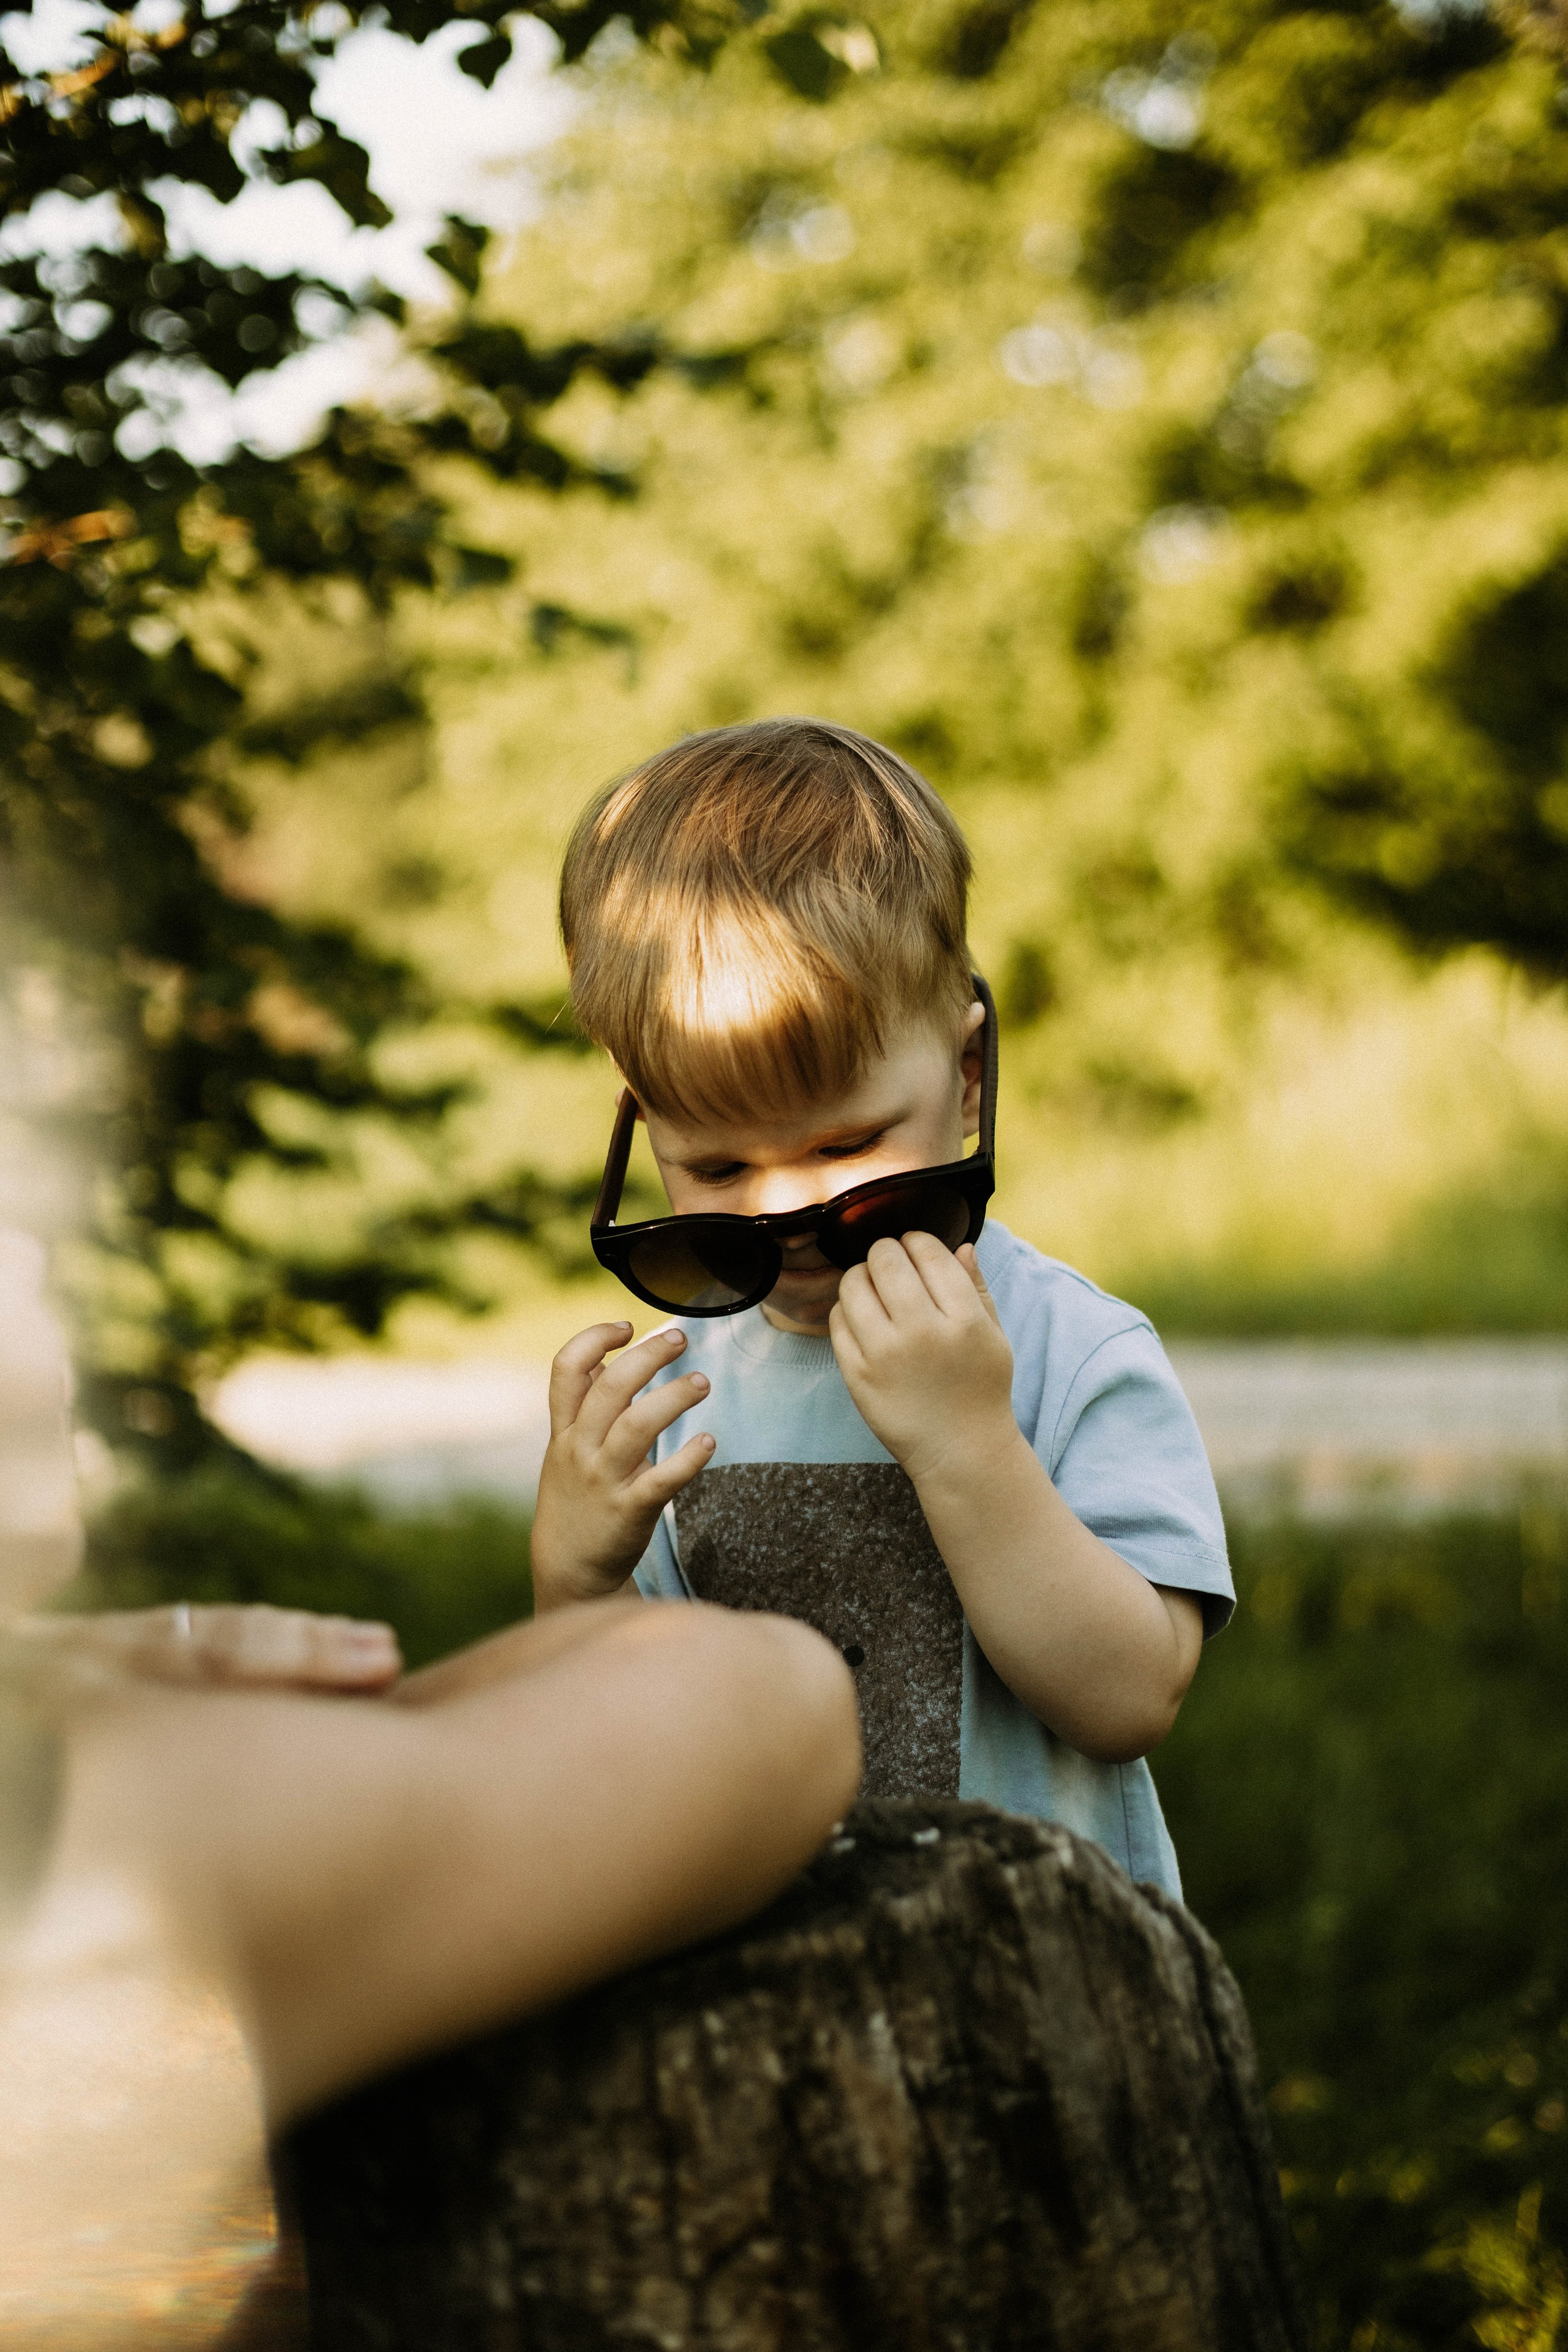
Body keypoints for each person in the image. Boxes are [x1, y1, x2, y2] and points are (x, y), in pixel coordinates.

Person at [531, 716, 1234, 1897]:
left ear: (966, 1079)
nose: (786, 1211)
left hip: (1044, 1978)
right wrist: (574, 1574)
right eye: (716, 1169)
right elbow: (594, 1735)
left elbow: (1130, 1699)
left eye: (848, 1143)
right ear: (642, 1130)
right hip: (763, 1996)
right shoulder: (671, 1394)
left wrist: (968, 1443)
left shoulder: (1066, 1347)